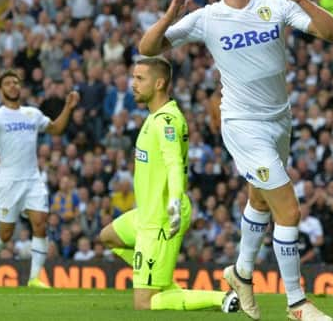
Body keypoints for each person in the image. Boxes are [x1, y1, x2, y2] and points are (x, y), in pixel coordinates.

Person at [139, 0, 333, 321]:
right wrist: (170, 14)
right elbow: (149, 48)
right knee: (288, 211)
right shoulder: (206, 17)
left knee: (261, 200)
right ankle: (296, 303)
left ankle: (241, 272)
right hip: (242, 124)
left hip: (279, 120)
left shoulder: (274, 2)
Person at [99, 57, 238, 312]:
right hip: (147, 214)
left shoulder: (167, 121)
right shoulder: (155, 117)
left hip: (162, 217)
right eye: (133, 77)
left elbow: (174, 164)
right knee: (108, 237)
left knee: (144, 303)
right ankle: (161, 281)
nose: (133, 84)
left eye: (140, 78)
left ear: (160, 83)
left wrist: (174, 200)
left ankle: (222, 299)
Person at [0, 69, 79, 288]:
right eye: (8, 83)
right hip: (8, 182)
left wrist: (68, 108)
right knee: (5, 234)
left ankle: (35, 278)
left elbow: (55, 129)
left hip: (33, 180)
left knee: (40, 224)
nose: (14, 86)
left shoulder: (32, 114)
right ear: (0, 90)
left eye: (16, 82)